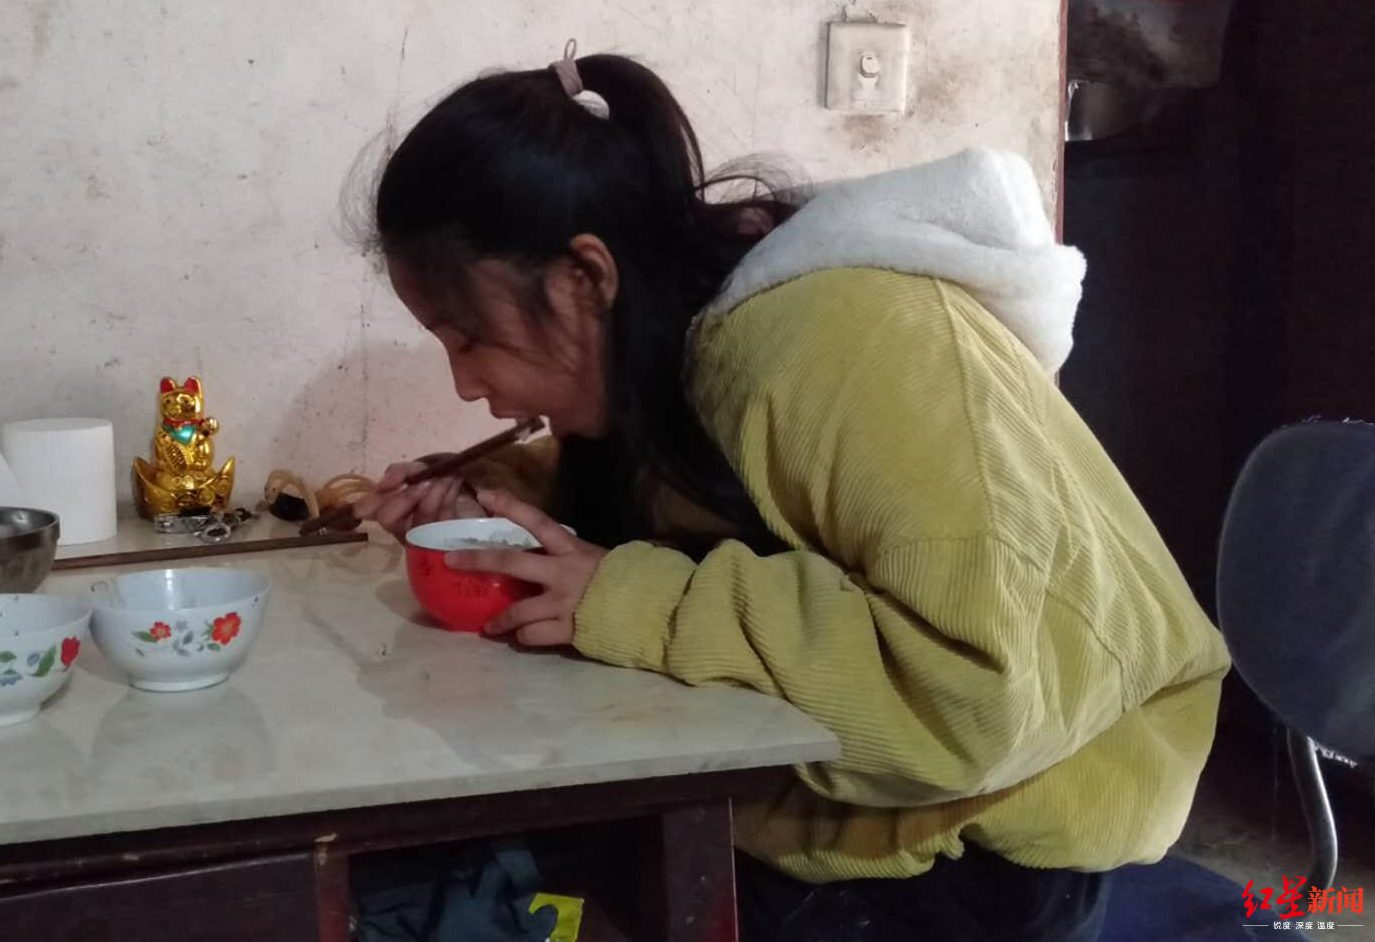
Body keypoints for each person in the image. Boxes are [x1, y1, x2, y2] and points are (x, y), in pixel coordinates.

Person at [349, 46, 1229, 942]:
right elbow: (711, 491)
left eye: (468, 338)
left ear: (584, 279)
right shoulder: (682, 342)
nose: (465, 385)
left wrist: (627, 600)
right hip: (873, 809)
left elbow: (974, 696)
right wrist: (494, 496)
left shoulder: (834, 341)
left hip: (984, 852)